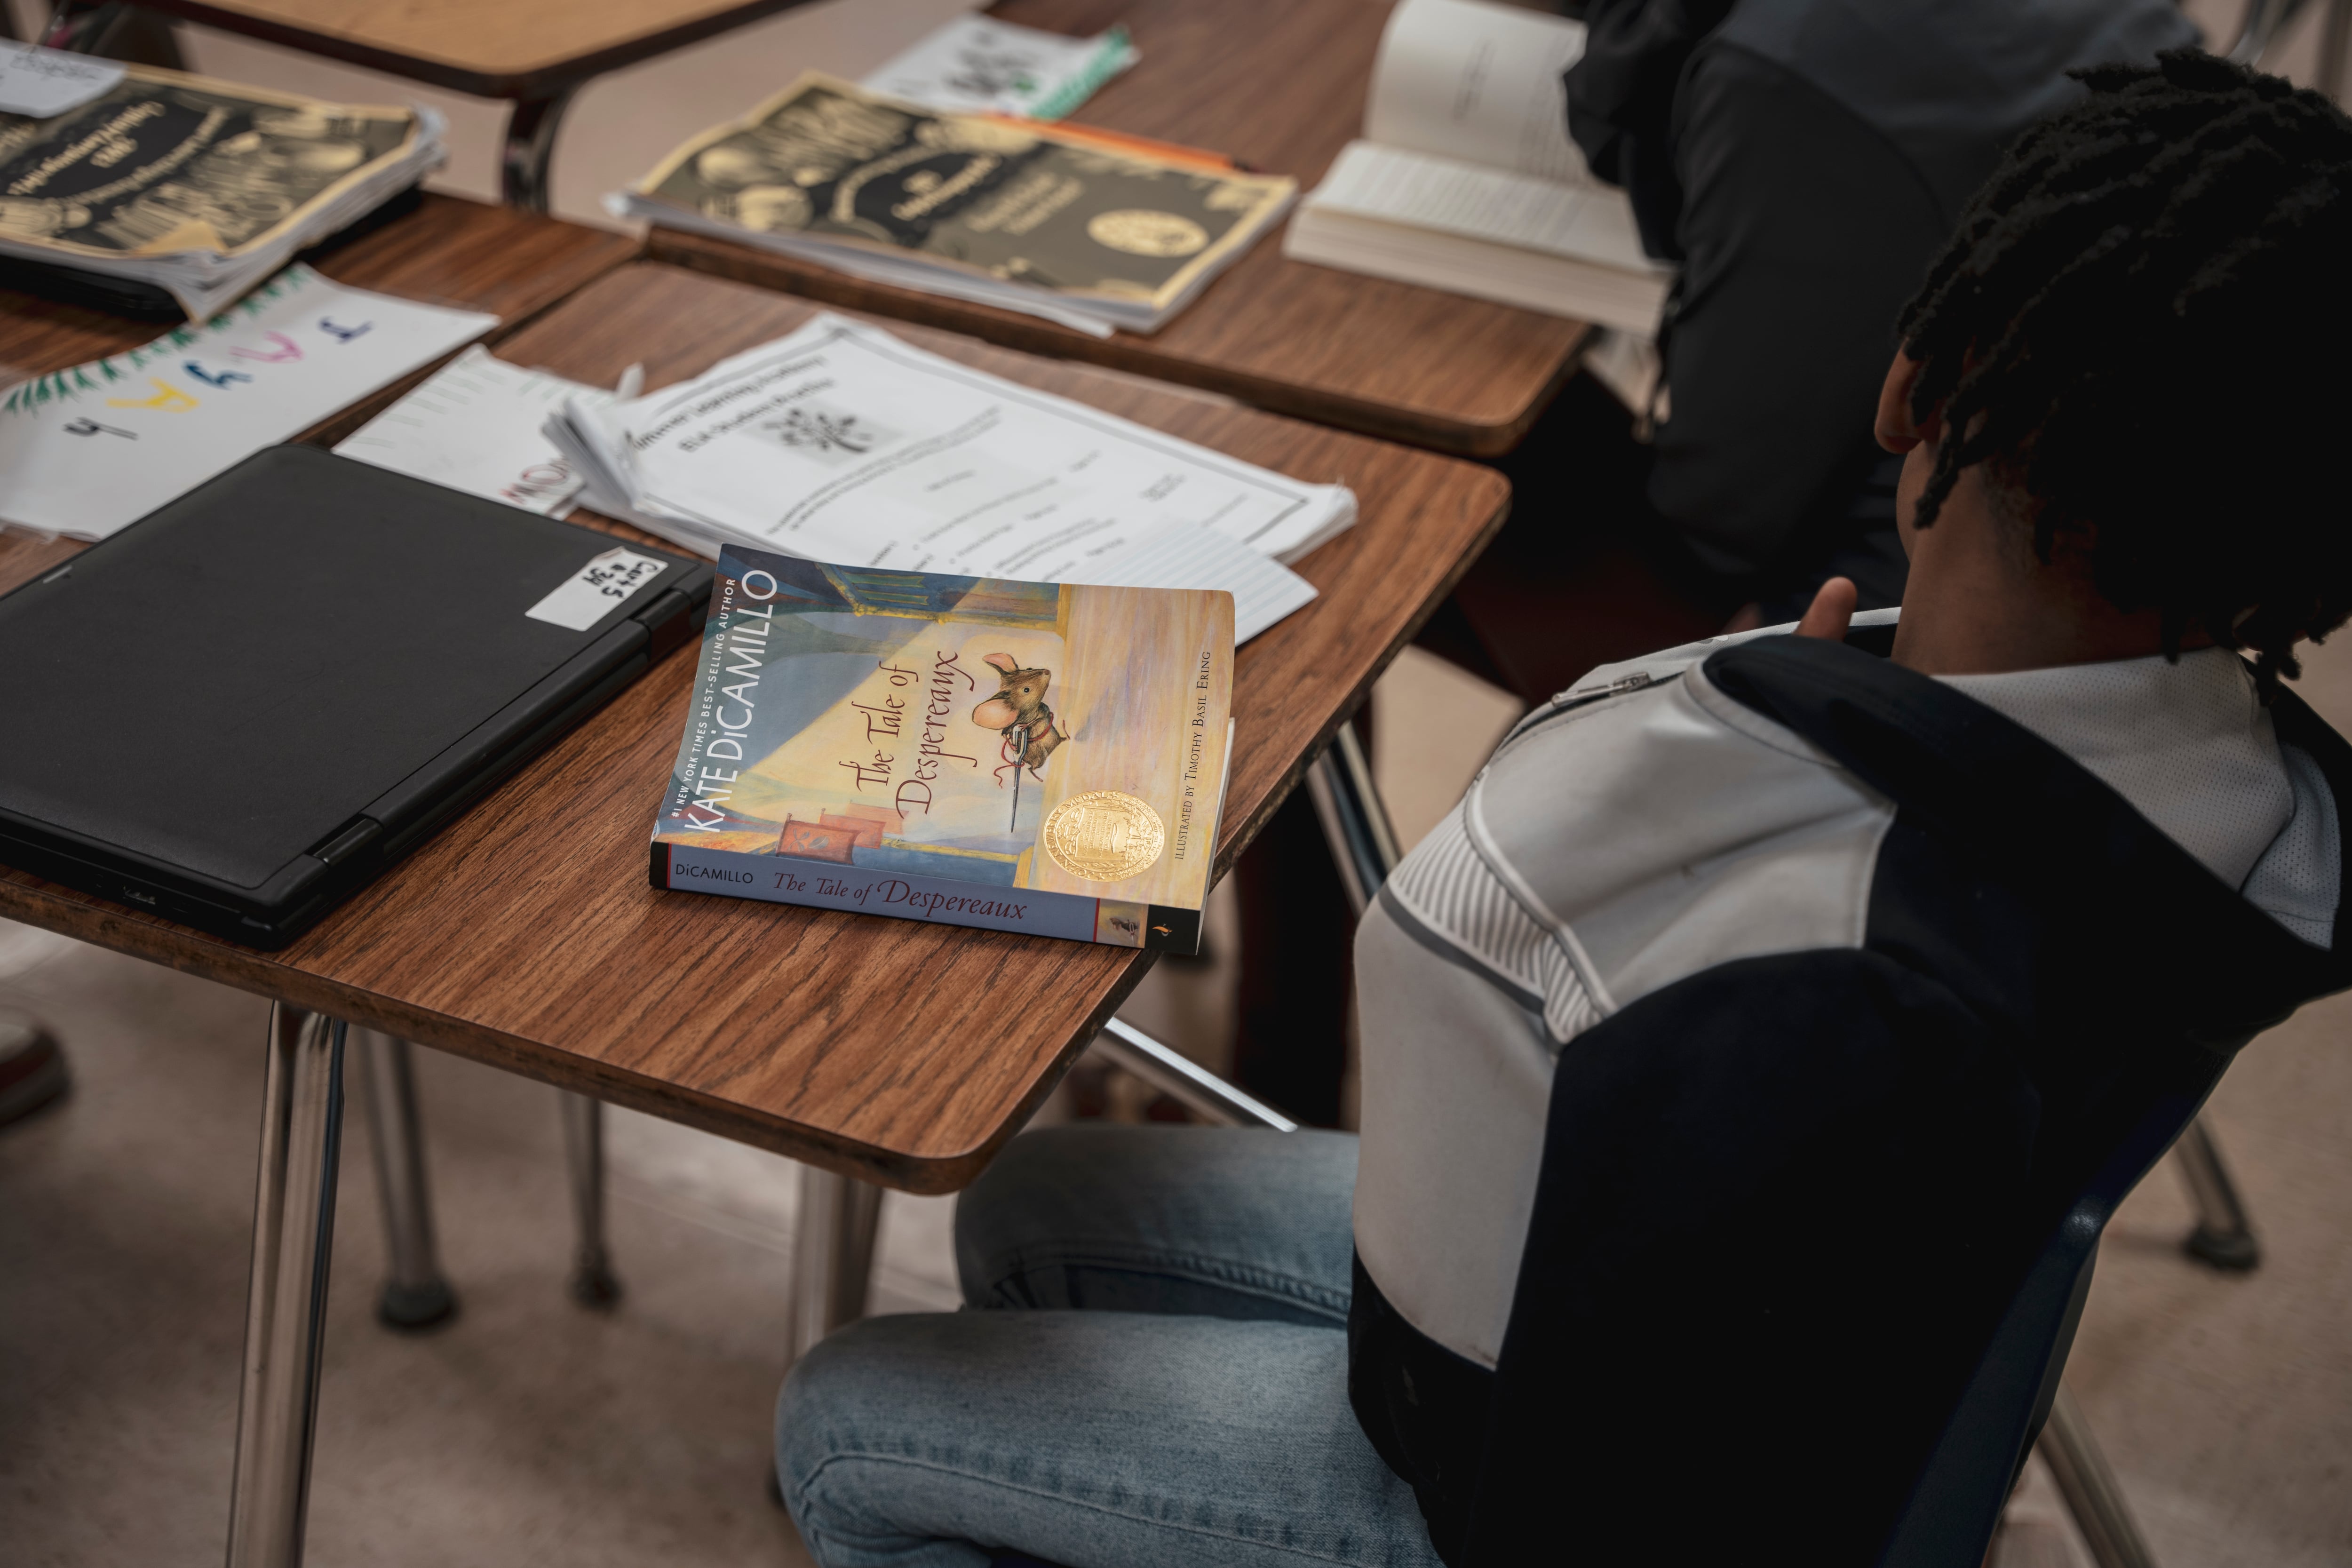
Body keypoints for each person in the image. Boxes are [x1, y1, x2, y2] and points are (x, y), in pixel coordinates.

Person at [773, 55, 2352, 1568]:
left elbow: (1473, 993)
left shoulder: (1825, 958)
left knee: (843, 1418)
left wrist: (1733, 782)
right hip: (1708, 1342)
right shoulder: (2218, 794)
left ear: (1912, 386)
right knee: (1042, 1203)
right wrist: (1816, 741)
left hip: (1508, 1478)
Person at [1434, 0, 2199, 706]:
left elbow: (1717, 510)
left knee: (1408, 479)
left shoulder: (1786, 73)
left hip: (1915, 620)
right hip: (2133, 550)